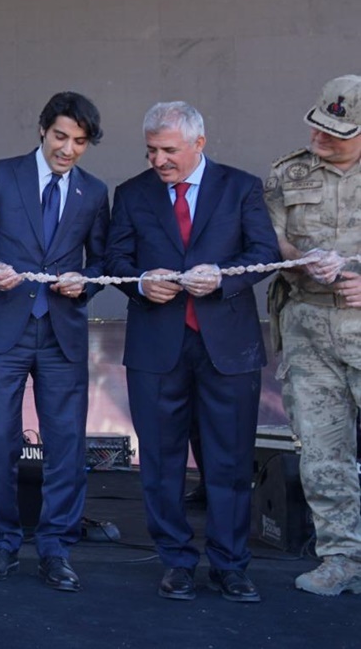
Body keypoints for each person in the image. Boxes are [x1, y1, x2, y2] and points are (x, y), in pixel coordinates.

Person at [106, 101, 279, 603]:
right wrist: (140, 282)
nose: (158, 160)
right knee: (160, 463)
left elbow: (264, 253)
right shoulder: (132, 194)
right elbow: (116, 258)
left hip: (227, 345)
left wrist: (222, 278)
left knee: (229, 462)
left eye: (169, 150)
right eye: (151, 150)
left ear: (199, 144)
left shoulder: (240, 186)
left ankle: (231, 565)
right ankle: (177, 561)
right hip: (156, 345)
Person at [0, 92, 110, 591]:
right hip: (2, 325)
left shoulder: (95, 192)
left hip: (62, 331)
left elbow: (103, 262)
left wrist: (84, 282)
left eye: (80, 142)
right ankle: (2, 543)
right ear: (43, 130)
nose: (68, 149)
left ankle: (56, 547)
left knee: (65, 443)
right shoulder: (1, 175)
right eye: (61, 136)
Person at [264, 75, 361, 597]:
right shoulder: (286, 173)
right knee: (324, 453)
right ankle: (341, 559)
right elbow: (270, 237)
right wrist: (298, 259)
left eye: (338, 132)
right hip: (307, 329)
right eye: (318, 125)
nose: (322, 138)